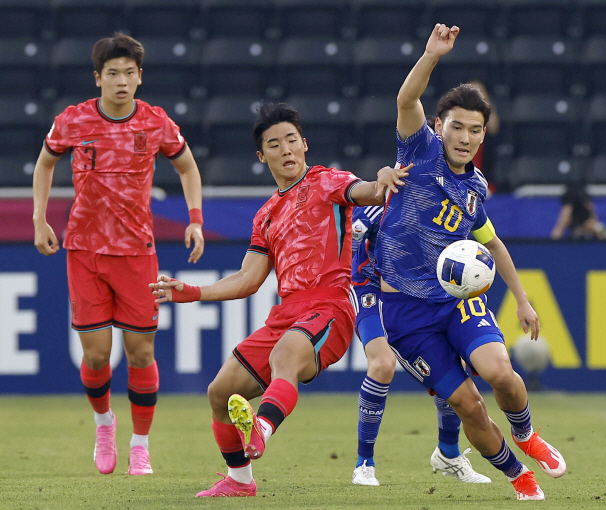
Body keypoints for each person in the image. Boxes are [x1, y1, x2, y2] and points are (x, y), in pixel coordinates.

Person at [150, 103, 408, 498]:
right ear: (262, 156)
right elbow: (248, 278)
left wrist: (383, 179)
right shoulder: (266, 215)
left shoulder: (326, 181)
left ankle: (262, 427)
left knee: (285, 356)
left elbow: (368, 191)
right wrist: (191, 292)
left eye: (291, 140)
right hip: (287, 314)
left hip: (330, 307)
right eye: (275, 144)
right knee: (219, 393)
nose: (285, 149)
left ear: (304, 144)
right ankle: (239, 481)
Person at [375, 24, 567, 500]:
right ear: (440, 126)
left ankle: (525, 433)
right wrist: (431, 55)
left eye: (474, 130)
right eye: (456, 126)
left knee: (503, 373)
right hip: (405, 314)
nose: (464, 136)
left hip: (452, 300)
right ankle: (516, 475)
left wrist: (522, 301)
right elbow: (405, 100)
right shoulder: (418, 150)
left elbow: (494, 244)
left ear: (483, 136)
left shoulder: (475, 188)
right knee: (469, 405)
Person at [32, 33, 205, 476]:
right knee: (95, 355)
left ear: (140, 77)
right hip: (84, 251)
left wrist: (195, 218)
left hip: (136, 253)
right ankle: (104, 425)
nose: (122, 82)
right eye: (113, 74)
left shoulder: (155, 123)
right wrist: (39, 219)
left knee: (141, 353)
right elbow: (45, 162)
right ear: (98, 78)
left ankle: (141, 444)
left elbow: (186, 165)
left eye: (130, 73)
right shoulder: (72, 121)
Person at [350, 205, 490, 486]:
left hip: (421, 292)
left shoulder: (442, 199)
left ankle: (448, 453)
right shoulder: (382, 203)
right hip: (371, 288)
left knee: (452, 366)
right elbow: (344, 242)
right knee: (382, 364)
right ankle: (364, 463)